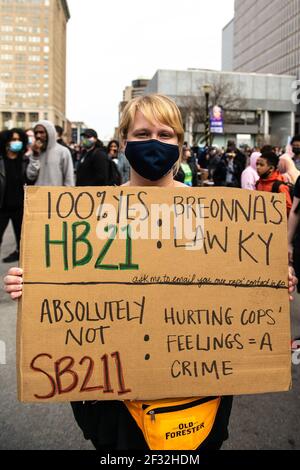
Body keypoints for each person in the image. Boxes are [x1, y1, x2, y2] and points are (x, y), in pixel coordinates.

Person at [3, 94, 298, 451]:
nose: (154, 143)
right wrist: (35, 283)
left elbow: (229, 288)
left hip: (198, 395)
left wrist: (269, 284)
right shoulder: (97, 213)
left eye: (165, 133)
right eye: (142, 134)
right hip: (116, 407)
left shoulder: (214, 214)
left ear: (180, 144)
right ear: (124, 140)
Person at [0, 128, 30, 263]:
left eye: (19, 140)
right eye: (13, 139)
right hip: (2, 207)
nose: (16, 142)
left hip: (20, 207)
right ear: (6, 142)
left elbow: (31, 178)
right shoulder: (1, 159)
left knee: (22, 238)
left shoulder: (24, 160)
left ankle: (19, 258)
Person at [26, 120, 75, 186]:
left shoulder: (63, 151)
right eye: (36, 133)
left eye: (41, 132)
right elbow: (30, 176)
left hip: (56, 195)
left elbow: (69, 179)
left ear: (50, 133)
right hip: (38, 195)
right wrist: (35, 156)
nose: (38, 136)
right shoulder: (35, 152)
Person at [256, 151, 292, 215]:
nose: (258, 167)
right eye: (257, 164)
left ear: (271, 168)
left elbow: (289, 209)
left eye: (261, 165)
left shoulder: (280, 187)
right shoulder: (258, 183)